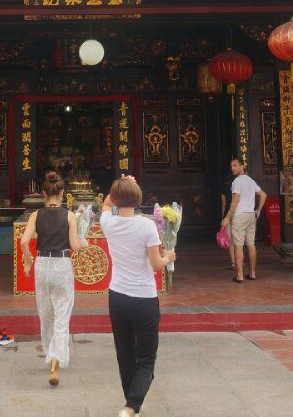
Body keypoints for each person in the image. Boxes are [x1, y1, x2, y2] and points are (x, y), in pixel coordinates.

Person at [100, 176, 175, 417]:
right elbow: (156, 264)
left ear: (115, 198)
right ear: (138, 198)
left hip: (117, 297)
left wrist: (120, 184)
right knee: (146, 359)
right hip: (143, 299)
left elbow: (105, 204)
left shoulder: (108, 222)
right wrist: (169, 257)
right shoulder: (146, 226)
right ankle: (131, 407)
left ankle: (131, 406)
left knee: (125, 355)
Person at [19, 171, 89, 386]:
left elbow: (24, 242)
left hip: (42, 264)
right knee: (62, 313)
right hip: (62, 265)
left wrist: (28, 262)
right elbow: (75, 245)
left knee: (46, 313)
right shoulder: (69, 216)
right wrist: (84, 242)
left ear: (43, 193)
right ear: (62, 193)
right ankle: (56, 359)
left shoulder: (35, 215)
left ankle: (52, 357)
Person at [220, 158, 267, 283]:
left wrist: (227, 217)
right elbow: (263, 195)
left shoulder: (237, 181)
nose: (232, 168)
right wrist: (258, 210)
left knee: (238, 246)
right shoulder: (251, 180)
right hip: (251, 216)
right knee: (251, 245)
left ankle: (240, 275)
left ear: (242, 166)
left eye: (235, 166)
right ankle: (252, 273)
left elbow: (235, 201)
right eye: (231, 166)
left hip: (239, 216)